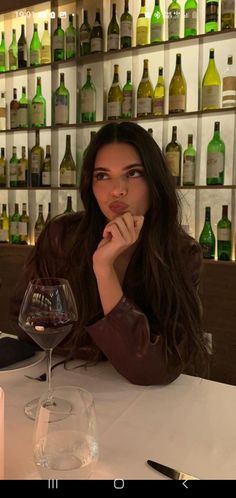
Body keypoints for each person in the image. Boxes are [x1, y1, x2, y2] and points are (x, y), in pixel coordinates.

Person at [11, 121, 208, 385]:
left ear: (155, 180)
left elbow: (156, 368)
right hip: (63, 387)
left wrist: (104, 269)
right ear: (89, 186)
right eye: (102, 175)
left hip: (143, 407)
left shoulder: (181, 253)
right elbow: (27, 323)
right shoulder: (62, 237)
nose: (117, 189)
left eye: (133, 173)